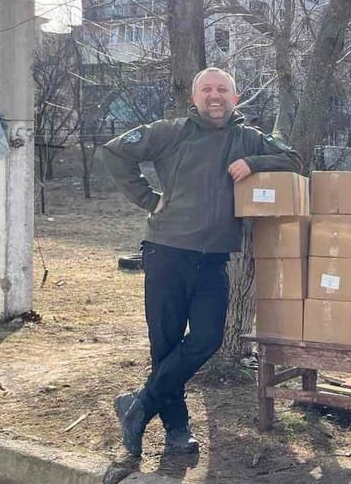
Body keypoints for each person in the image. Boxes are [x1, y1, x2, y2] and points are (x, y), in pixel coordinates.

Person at [102, 67, 301, 458]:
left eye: (222, 89)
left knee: (207, 338)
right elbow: (115, 151)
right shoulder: (170, 131)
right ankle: (177, 429)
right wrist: (147, 198)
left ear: (235, 98)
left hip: (213, 260)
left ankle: (138, 405)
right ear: (194, 98)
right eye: (207, 89)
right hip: (167, 252)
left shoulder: (247, 137)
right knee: (166, 344)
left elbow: (292, 159)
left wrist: (255, 163)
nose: (214, 95)